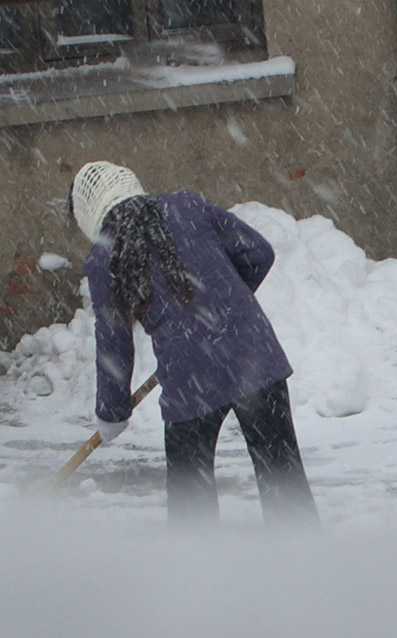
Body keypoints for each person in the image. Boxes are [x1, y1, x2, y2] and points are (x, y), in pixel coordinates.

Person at [69, 161, 318, 528]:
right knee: (283, 479)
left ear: (88, 213)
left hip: (190, 381)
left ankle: (196, 575)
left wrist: (112, 411)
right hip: (254, 355)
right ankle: (308, 571)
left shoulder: (105, 256)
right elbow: (258, 252)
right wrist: (224, 307)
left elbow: (114, 343)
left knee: (191, 500)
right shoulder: (187, 206)